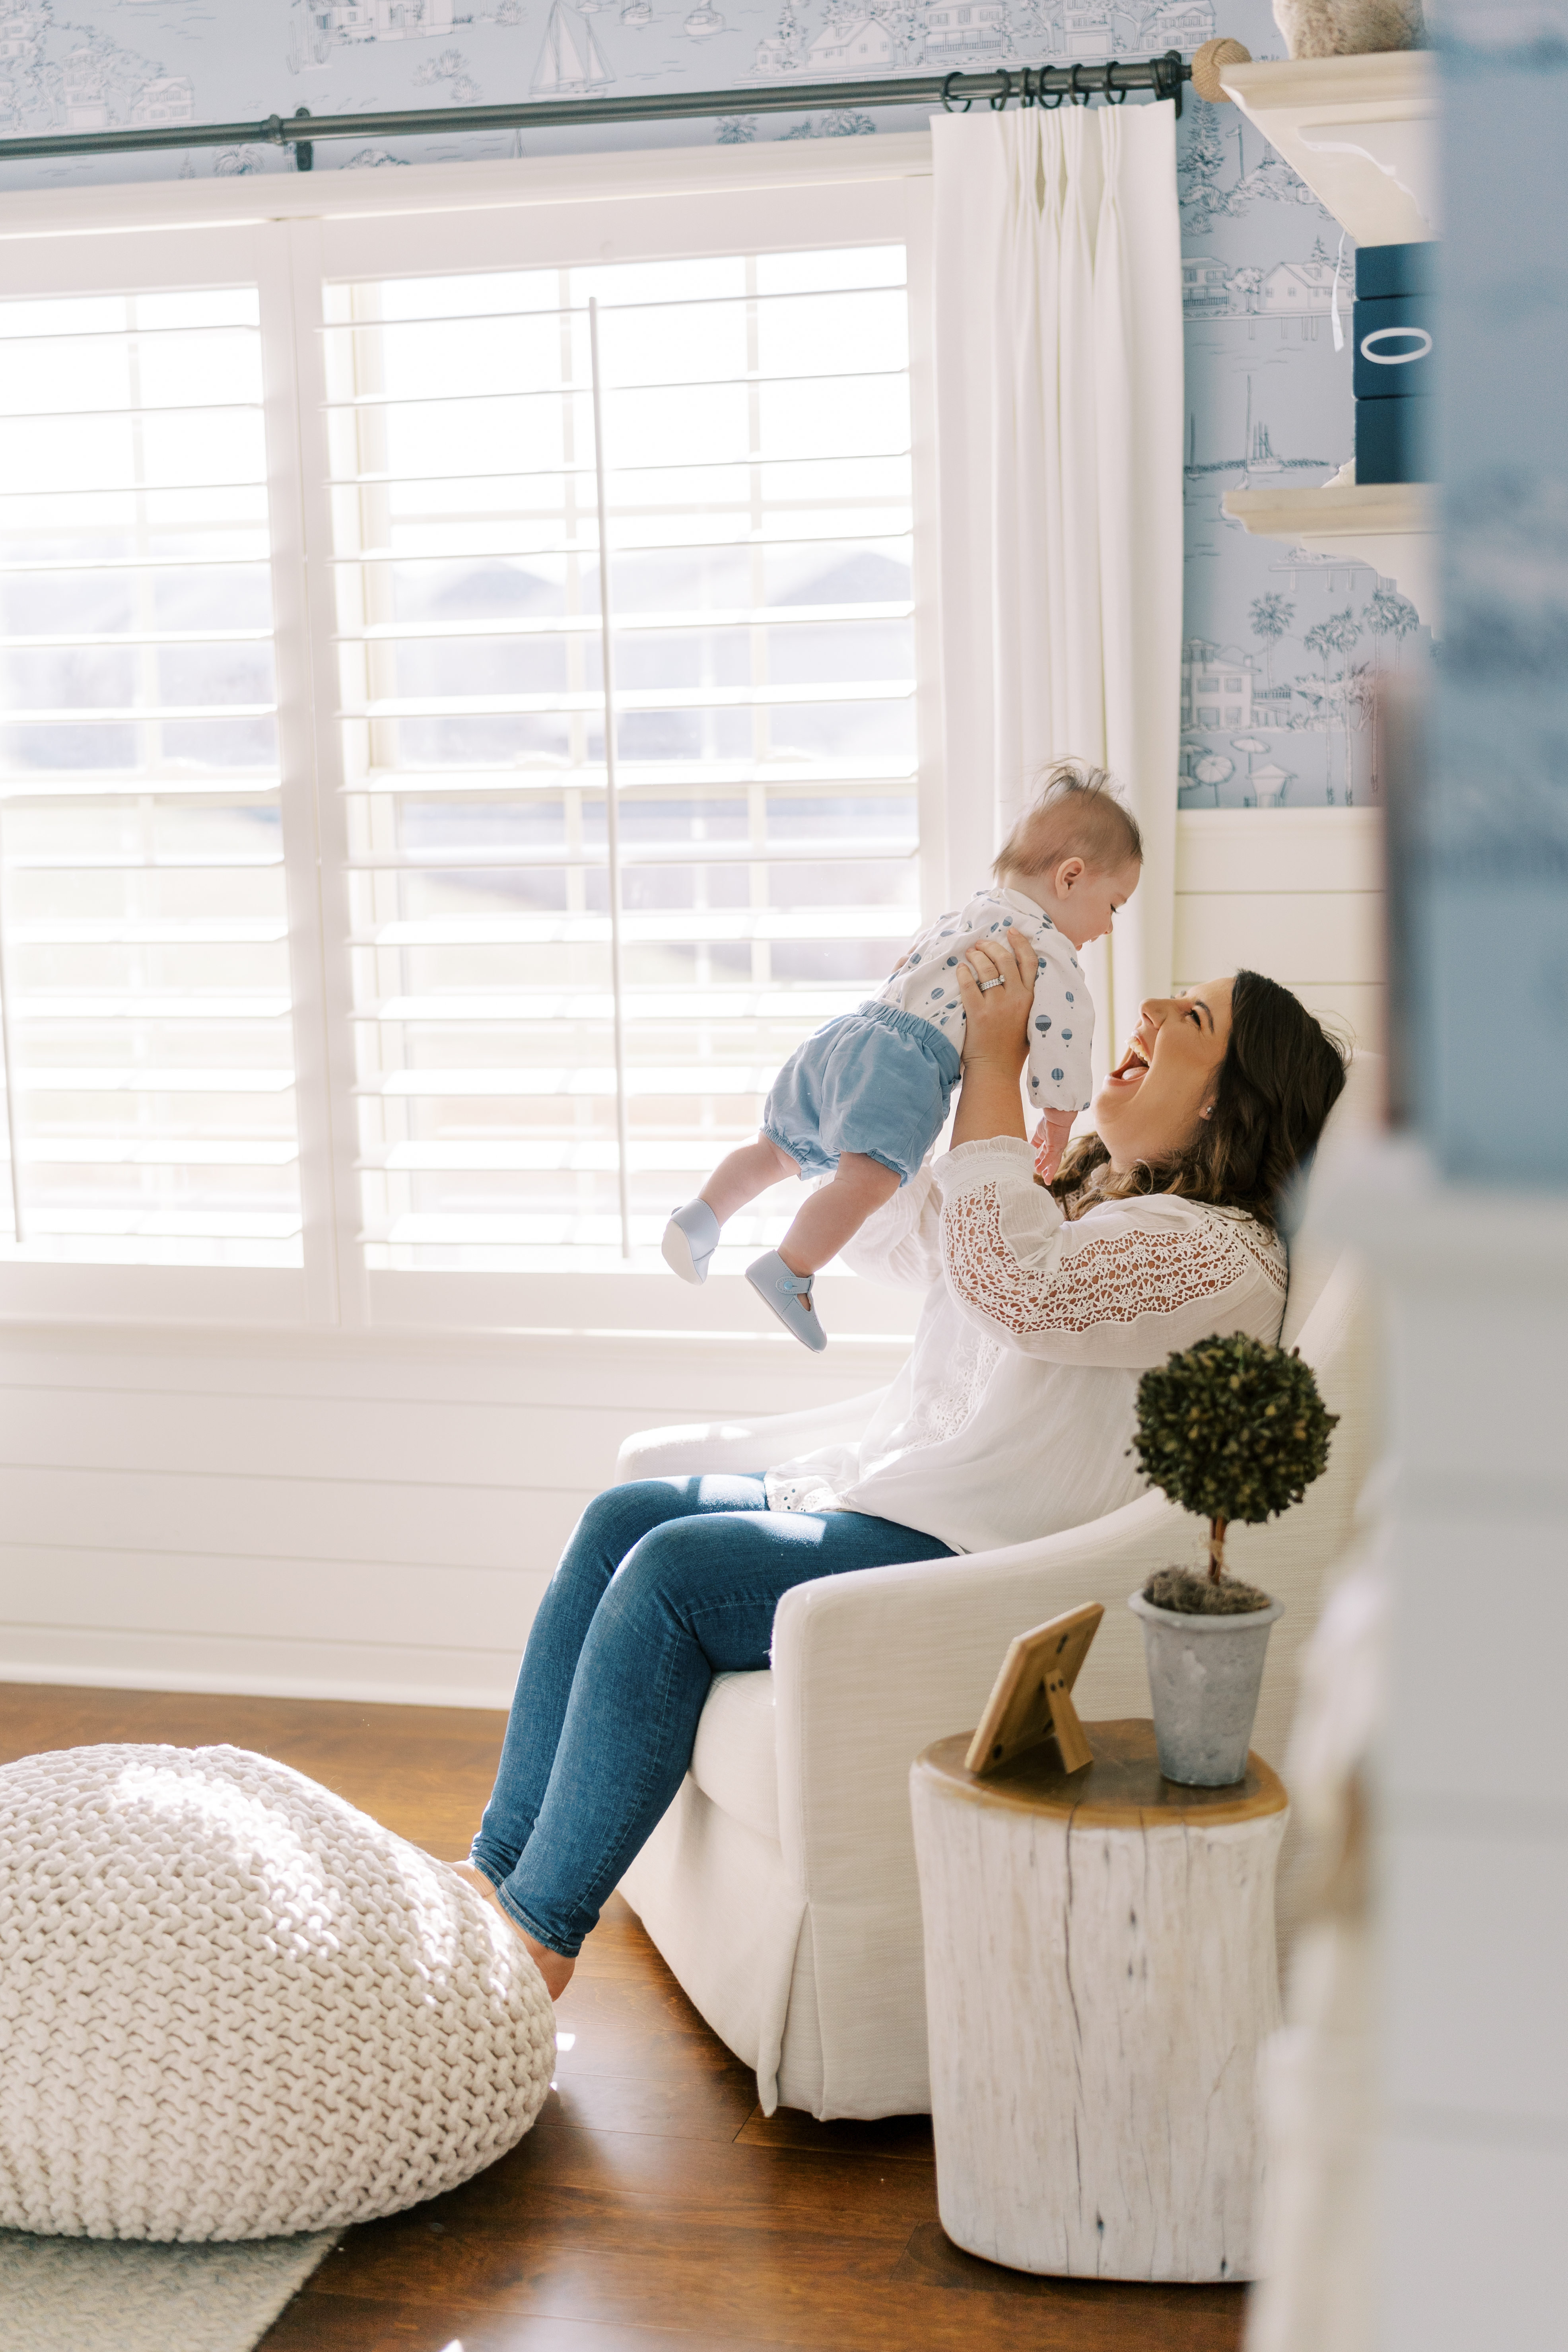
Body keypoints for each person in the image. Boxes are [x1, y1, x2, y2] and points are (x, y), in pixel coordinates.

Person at [458, 934, 1347, 1998]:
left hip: (979, 1552)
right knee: (625, 1517)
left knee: (671, 1579)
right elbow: (904, 1241)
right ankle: (491, 1874)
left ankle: (538, 1939)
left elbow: (1018, 1291)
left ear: (1227, 1104)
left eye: (1191, 1021)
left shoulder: (1218, 1254)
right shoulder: (1096, 1191)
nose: (1148, 1010)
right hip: (900, 1493)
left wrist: (993, 1072)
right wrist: (890, 1077)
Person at [659, 763, 1143, 1351]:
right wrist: (1059, 1119)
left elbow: (905, 965)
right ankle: (792, 1267)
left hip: (850, 1033)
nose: (1110, 927)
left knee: (775, 1150)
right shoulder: (1048, 949)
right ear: (1071, 877)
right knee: (867, 1183)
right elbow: (1066, 1033)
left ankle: (702, 1216)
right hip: (906, 1065)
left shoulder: (968, 911)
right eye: (1114, 905)